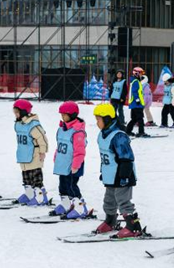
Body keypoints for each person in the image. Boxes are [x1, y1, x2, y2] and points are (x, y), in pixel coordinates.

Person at [92, 103, 145, 237]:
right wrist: (103, 173)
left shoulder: (118, 136)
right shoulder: (102, 135)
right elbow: (106, 157)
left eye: (99, 119)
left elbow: (127, 158)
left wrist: (124, 176)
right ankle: (110, 221)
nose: (97, 122)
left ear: (107, 119)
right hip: (110, 176)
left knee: (123, 201)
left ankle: (134, 226)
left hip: (123, 176)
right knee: (109, 200)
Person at [52, 101, 89, 218]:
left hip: (73, 166)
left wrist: (75, 166)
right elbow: (59, 145)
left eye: (64, 115)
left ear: (72, 114)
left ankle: (80, 207)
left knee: (72, 186)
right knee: (62, 186)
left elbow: (80, 152)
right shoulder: (62, 129)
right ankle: (66, 204)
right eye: (61, 115)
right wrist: (56, 157)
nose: (62, 117)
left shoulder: (77, 131)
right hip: (63, 163)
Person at [13, 99, 49, 205]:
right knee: (26, 176)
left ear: (23, 112)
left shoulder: (33, 125)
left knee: (35, 176)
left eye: (17, 112)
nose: (15, 114)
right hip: (23, 154)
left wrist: (42, 152)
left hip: (34, 155)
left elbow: (43, 139)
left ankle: (41, 196)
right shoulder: (19, 124)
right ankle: (29, 194)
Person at [125, 67, 147, 137]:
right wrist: (137, 100)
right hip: (137, 104)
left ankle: (128, 131)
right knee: (140, 118)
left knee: (134, 119)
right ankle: (141, 132)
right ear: (136, 74)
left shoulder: (135, 81)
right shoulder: (136, 82)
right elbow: (135, 92)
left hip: (134, 104)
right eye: (141, 73)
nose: (142, 75)